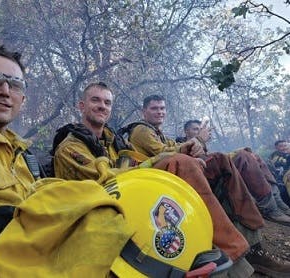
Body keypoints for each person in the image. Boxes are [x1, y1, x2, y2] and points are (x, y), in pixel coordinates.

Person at [0, 45, 132, 276]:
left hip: (33, 262)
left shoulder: (24, 157)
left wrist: (156, 167)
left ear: (22, 98)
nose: (4, 90)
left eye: (15, 84)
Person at [53, 82, 267, 277]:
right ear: (81, 106)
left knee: (210, 160)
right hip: (95, 209)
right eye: (95, 100)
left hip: (125, 196)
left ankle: (251, 240)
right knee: (180, 163)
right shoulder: (71, 147)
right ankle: (234, 256)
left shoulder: (112, 141)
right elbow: (106, 179)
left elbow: (134, 163)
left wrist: (182, 149)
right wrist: (165, 158)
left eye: (107, 102)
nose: (102, 106)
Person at [119, 94, 290, 277]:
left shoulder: (161, 134)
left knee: (221, 160)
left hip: (172, 177)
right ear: (143, 111)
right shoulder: (140, 130)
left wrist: (199, 147)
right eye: (154, 108)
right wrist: (196, 141)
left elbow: (178, 148)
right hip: (157, 185)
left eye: (162, 108)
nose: (159, 112)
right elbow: (166, 155)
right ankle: (235, 254)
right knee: (187, 163)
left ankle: (255, 243)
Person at [181, 119, 290, 222]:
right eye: (196, 129)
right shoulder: (181, 145)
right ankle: (269, 208)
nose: (200, 132)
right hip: (201, 178)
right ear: (186, 132)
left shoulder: (201, 147)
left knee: (254, 157)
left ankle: (278, 202)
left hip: (214, 172)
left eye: (201, 130)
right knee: (243, 156)